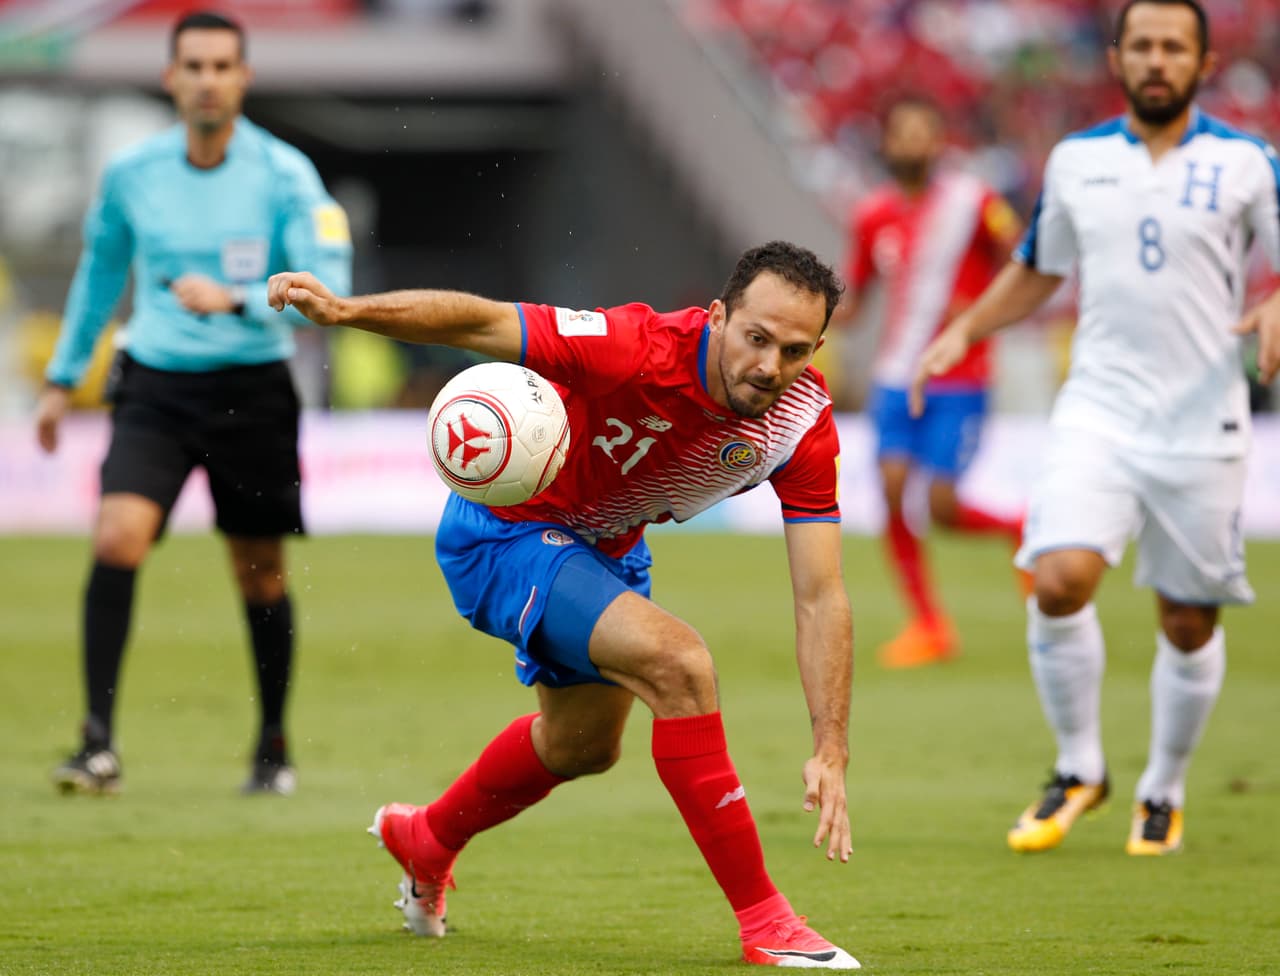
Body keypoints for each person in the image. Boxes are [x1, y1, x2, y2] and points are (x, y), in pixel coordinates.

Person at [267, 241, 861, 969]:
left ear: (818, 348)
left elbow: (821, 595)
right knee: (680, 664)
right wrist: (345, 310)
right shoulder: (634, 347)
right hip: (503, 536)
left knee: (583, 747)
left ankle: (426, 839)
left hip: (606, 551)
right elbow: (482, 324)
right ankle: (767, 921)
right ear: (718, 317)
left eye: (794, 350)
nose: (770, 365)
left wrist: (831, 747)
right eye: (756, 338)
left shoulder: (799, 423)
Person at [911, 0, 1280, 855]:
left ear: (1204, 62)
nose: (1157, 60)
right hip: (1099, 411)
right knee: (1057, 580)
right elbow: (1041, 267)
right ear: (1117, 58)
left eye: (1174, 47)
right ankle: (1080, 769)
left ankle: (1164, 786)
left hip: (1204, 420)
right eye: (1143, 45)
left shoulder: (1249, 164)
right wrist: (966, 328)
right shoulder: (1077, 162)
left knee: (1188, 621)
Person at [35, 10, 354, 796]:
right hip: (156, 385)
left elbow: (330, 287)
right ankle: (97, 743)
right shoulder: (133, 173)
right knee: (117, 539)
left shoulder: (286, 175)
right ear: (171, 78)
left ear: (242, 78)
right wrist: (61, 379)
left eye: (222, 66)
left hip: (252, 389)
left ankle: (272, 747)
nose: (208, 80)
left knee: (260, 573)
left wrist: (240, 298)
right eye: (194, 67)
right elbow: (100, 275)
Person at [834, 96, 1026, 669]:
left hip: (958, 374)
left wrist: (982, 309)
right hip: (896, 375)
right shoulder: (872, 216)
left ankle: (1023, 529)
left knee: (941, 504)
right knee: (892, 491)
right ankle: (928, 624)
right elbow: (857, 298)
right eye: (902, 133)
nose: (912, 143)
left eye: (922, 132)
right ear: (887, 144)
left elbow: (1024, 260)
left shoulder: (973, 203)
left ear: (938, 142)